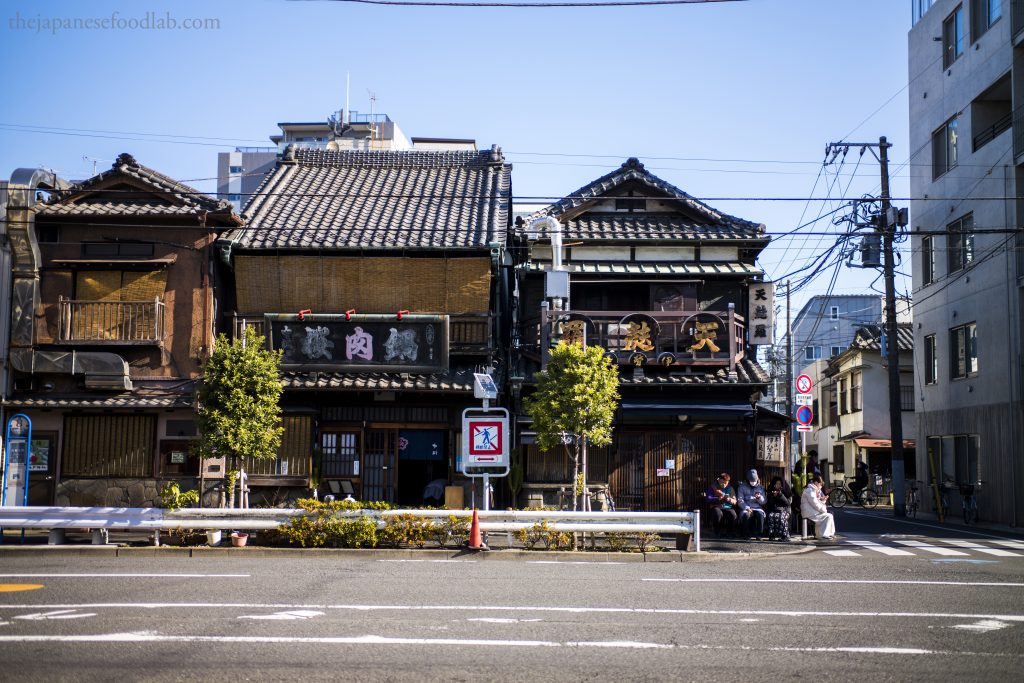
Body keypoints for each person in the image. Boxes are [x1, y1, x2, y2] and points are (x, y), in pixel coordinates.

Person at [800, 474, 835, 539]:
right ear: (816, 483)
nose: (821, 487)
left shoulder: (813, 490)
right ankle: (823, 534)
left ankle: (827, 534)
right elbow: (815, 503)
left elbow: (816, 502)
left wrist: (823, 500)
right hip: (809, 513)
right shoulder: (809, 490)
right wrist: (823, 509)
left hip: (812, 512)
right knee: (828, 516)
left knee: (829, 515)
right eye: (820, 484)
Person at [737, 469, 767, 539]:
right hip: (746, 507)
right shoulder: (742, 487)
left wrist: (759, 498)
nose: (753, 482)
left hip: (757, 507)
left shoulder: (761, 487)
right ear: (748, 480)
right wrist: (747, 508)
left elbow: (764, 501)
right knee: (746, 515)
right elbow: (740, 500)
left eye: (754, 481)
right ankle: (746, 534)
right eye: (751, 481)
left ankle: (759, 534)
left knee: (760, 515)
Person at [705, 473, 738, 537]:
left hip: (727, 507)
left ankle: (730, 532)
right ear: (719, 480)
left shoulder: (730, 488)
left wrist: (729, 499)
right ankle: (717, 532)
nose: (724, 485)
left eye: (726, 483)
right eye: (722, 482)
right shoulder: (713, 487)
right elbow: (708, 498)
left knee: (733, 514)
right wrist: (718, 498)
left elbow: (735, 501)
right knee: (718, 513)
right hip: (716, 506)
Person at [765, 476, 791, 541]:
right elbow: (769, 503)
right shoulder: (771, 491)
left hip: (785, 510)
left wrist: (780, 495)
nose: (778, 485)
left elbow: (788, 503)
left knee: (781, 517)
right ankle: (772, 535)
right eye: (776, 483)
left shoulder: (786, 491)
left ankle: (784, 536)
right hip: (774, 510)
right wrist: (773, 496)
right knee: (771, 516)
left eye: (779, 484)